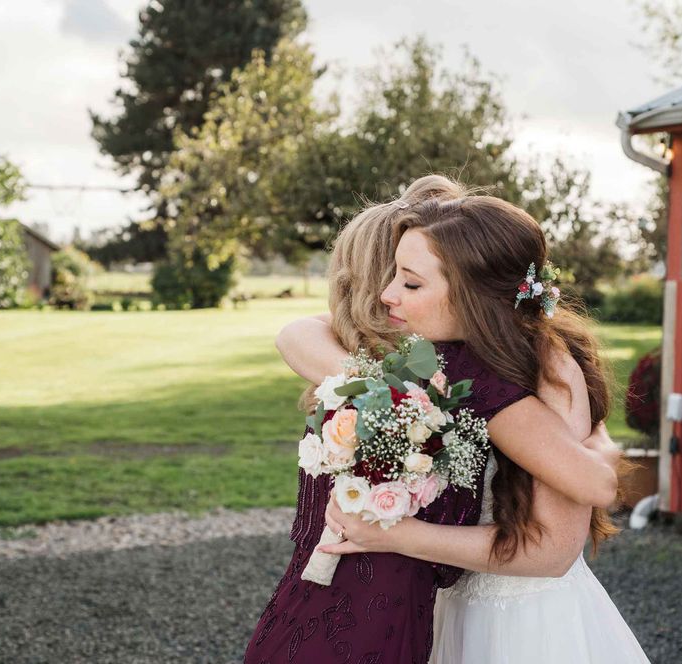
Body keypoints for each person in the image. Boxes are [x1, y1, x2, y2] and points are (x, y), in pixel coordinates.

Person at [243, 177, 620, 664]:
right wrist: (398, 395)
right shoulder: (427, 370)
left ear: (471, 294)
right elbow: (296, 333)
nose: (384, 296)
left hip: (518, 621)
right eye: (390, 276)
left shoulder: (534, 374)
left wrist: (395, 533)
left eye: (410, 281)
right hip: (437, 602)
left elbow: (573, 518)